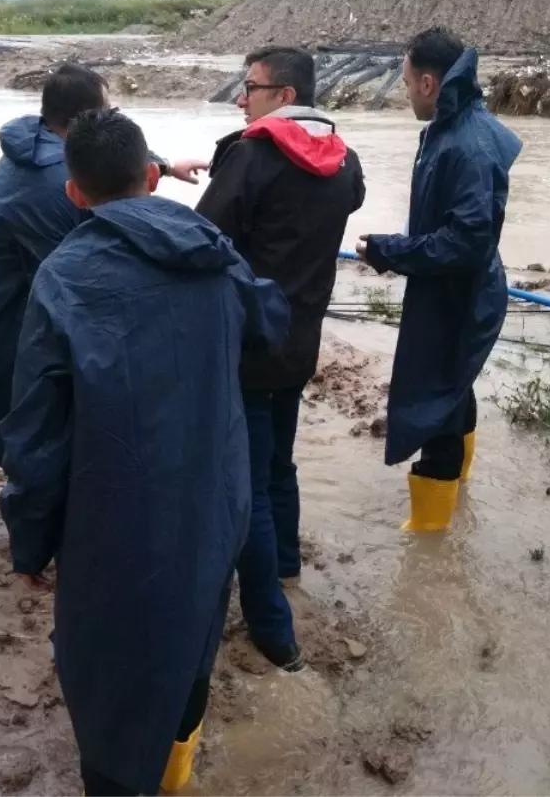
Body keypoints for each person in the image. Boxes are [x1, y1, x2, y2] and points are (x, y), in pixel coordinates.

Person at [0, 109, 290, 796]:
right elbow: (270, 321)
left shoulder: (64, 275)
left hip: (114, 516)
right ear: (153, 178)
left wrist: (29, 543)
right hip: (215, 500)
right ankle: (173, 767)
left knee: (106, 670)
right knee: (193, 635)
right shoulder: (212, 248)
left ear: (74, 194)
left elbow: (34, 433)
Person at [0, 64, 207, 520]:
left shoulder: (36, 140)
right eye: (109, 109)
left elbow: (106, 155)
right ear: (83, 118)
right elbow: (87, 279)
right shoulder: (53, 186)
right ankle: (39, 537)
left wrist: (163, 166)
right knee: (22, 438)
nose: (112, 116)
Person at [196, 46, 365, 670]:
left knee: (250, 486)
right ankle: (287, 567)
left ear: (286, 96)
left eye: (253, 87)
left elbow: (204, 237)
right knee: (279, 464)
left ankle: (273, 629)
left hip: (246, 343)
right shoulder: (345, 161)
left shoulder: (254, 156)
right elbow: (349, 200)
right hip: (300, 340)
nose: (242, 98)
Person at [356, 28, 520, 532]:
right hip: (456, 287)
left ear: (429, 83)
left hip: (459, 292)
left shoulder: (464, 143)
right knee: (453, 384)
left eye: (406, 84)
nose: (405, 93)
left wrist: (391, 250)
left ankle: (429, 531)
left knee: (437, 398)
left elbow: (465, 242)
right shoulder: (456, 124)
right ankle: (457, 492)